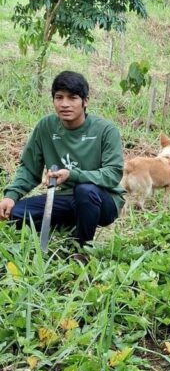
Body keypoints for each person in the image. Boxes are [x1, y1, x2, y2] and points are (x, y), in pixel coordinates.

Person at [0, 70, 124, 253]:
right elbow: (29, 169)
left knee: (85, 191)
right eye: (59, 97)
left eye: (72, 98)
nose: (65, 104)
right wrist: (11, 195)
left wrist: (72, 175)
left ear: (85, 101)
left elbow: (113, 174)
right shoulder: (46, 127)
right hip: (65, 198)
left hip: (103, 200)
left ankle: (82, 251)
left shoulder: (105, 130)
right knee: (15, 214)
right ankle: (66, 227)